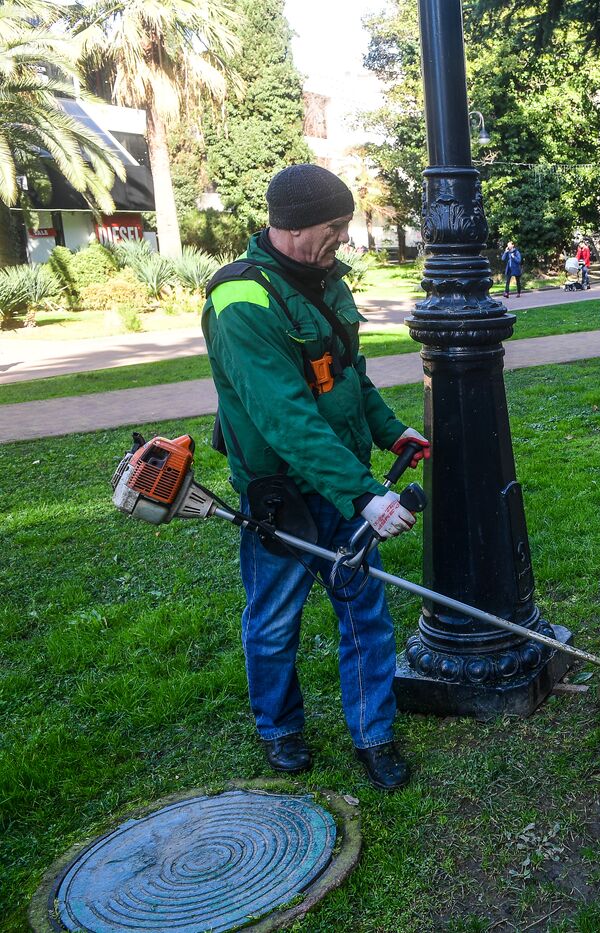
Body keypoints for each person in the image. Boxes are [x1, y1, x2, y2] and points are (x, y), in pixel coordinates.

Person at [201, 164, 429, 791]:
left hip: (344, 479)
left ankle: (374, 735)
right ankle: (280, 731)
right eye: (336, 226)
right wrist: (365, 495)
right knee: (275, 619)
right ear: (299, 226)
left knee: (364, 612)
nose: (343, 238)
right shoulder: (238, 301)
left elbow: (350, 376)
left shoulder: (327, 281)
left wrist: (389, 432)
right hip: (282, 492)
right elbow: (286, 420)